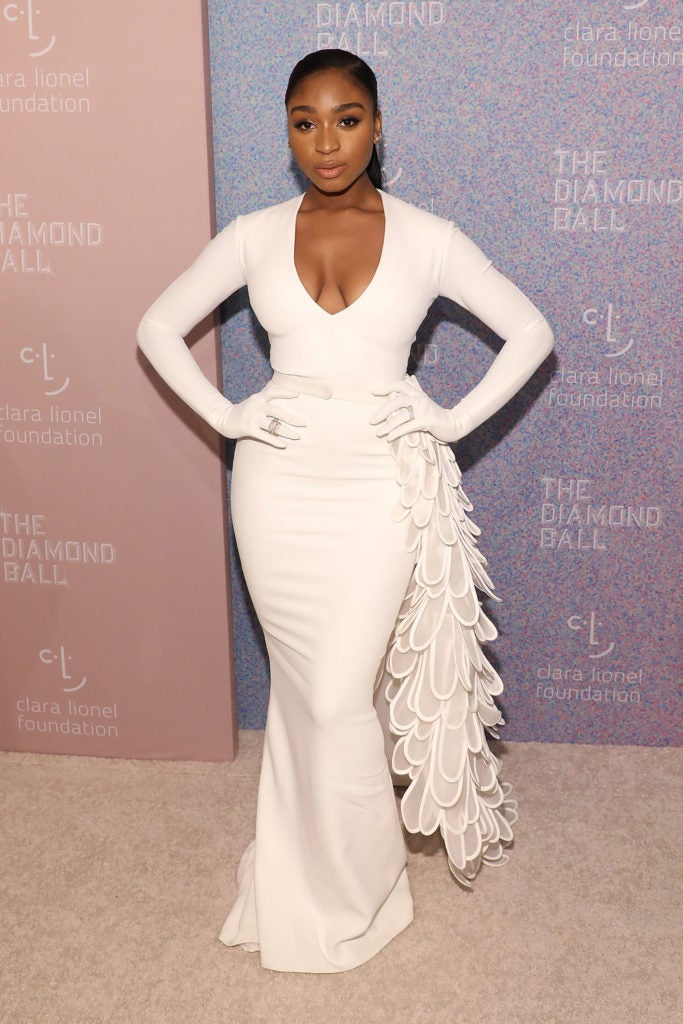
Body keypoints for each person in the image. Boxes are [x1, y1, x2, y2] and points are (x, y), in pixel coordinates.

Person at [136, 49, 553, 974]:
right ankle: (298, 872)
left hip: (378, 485)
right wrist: (228, 417)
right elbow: (155, 326)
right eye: (305, 122)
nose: (326, 142)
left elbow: (531, 330)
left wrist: (451, 420)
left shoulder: (428, 238)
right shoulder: (253, 234)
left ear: (376, 125)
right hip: (275, 482)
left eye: (347, 118)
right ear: (288, 132)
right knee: (302, 694)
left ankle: (362, 892)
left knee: (335, 698)